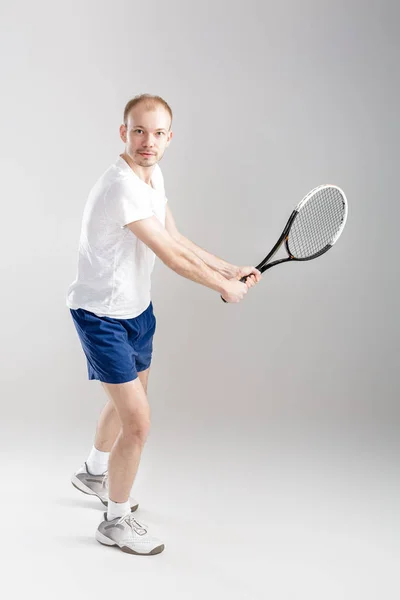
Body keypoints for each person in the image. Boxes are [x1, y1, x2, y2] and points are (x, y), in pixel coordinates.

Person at [66, 93, 262, 556]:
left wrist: (228, 268)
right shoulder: (121, 186)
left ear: (169, 139)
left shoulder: (151, 176)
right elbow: (170, 256)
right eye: (138, 131)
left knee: (127, 403)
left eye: (157, 133)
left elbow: (176, 237)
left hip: (137, 311)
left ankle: (94, 472)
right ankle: (114, 522)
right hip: (102, 316)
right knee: (138, 423)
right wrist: (222, 286)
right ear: (123, 133)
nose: (147, 141)